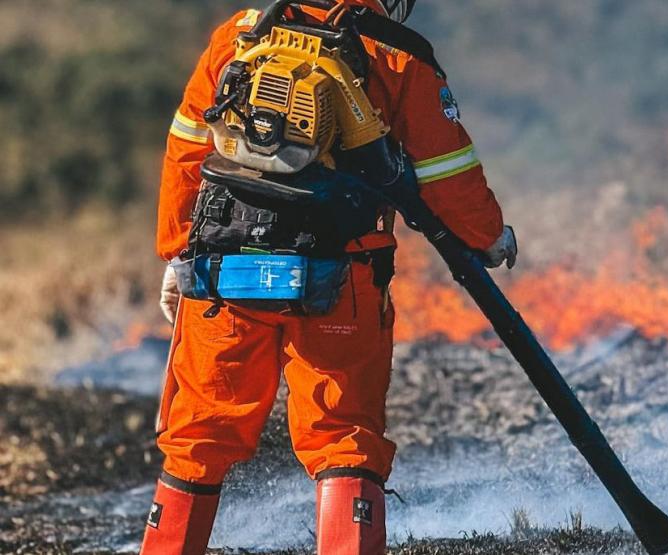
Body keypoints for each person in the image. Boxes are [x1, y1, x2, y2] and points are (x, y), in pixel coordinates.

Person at [145, 0, 517, 553]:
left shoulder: (239, 36)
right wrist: (488, 237)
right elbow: (447, 174)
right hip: (340, 278)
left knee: (198, 435)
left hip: (224, 273)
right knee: (344, 437)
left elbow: (186, 152)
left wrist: (179, 254)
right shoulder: (395, 55)